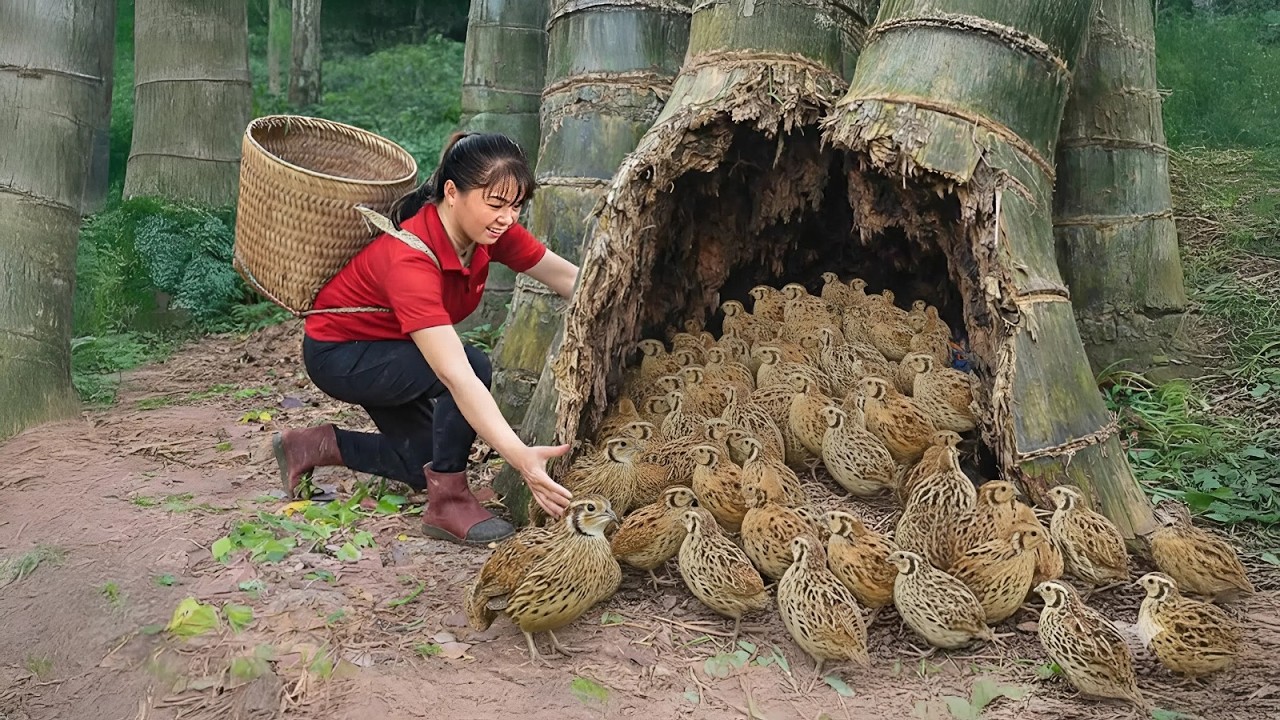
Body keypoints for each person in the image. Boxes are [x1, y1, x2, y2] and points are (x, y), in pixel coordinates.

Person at [271, 132, 577, 546]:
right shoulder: (411, 259)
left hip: (392, 347)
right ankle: (448, 503)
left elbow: (567, 278)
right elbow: (456, 376)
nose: (508, 217)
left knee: (423, 461)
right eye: (495, 203)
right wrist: (521, 457)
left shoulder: (489, 232)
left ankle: (312, 446)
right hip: (342, 355)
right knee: (473, 366)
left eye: (516, 205)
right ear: (452, 193)